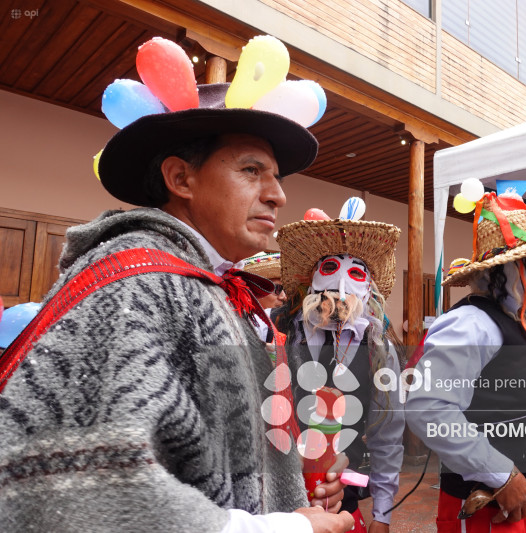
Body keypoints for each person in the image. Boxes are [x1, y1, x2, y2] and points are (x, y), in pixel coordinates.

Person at [0, 37, 353, 533]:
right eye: (252, 170)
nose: (277, 194)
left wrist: (291, 479)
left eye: (275, 176)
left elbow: (212, 446)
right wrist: (291, 529)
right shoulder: (137, 288)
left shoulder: (212, 289)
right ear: (181, 179)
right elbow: (86, 486)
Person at [405, 191, 526, 532]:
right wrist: (501, 474)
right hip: (492, 515)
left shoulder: (524, 322)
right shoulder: (472, 324)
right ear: (502, 269)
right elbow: (428, 408)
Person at [272, 211, 405, 533]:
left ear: (369, 286)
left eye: (356, 274)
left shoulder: (378, 349)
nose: (341, 285)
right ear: (313, 277)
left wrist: (382, 514)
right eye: (330, 268)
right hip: (272, 510)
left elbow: (387, 436)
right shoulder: (272, 330)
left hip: (340, 503)